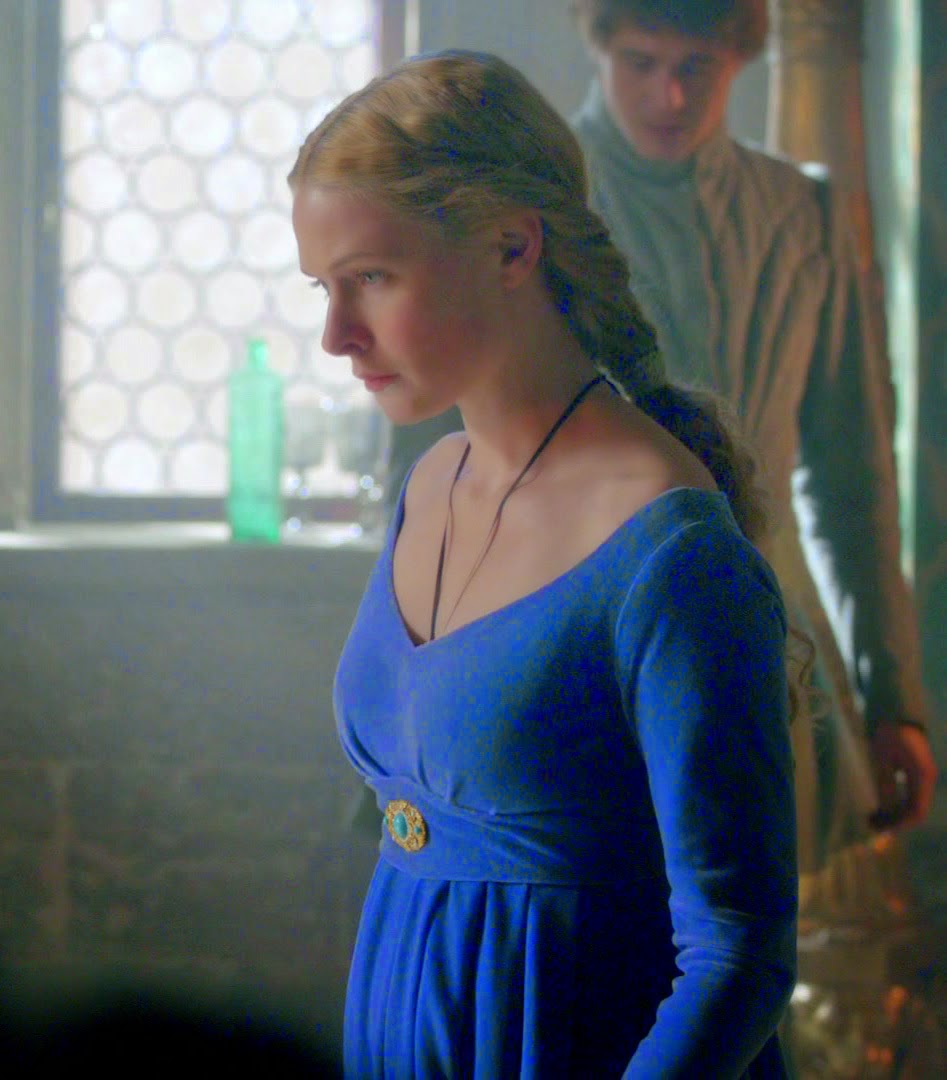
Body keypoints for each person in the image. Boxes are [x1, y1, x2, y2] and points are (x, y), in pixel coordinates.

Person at [289, 49, 798, 1077]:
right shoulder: (431, 483)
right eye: (321, 289)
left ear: (512, 246)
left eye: (371, 279)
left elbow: (738, 954)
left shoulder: (668, 553)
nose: (336, 335)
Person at [568, 0, 937, 903]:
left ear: (737, 59)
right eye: (642, 62)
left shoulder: (802, 213)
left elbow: (850, 482)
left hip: (764, 643)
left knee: (749, 942)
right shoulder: (539, 208)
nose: (669, 95)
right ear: (601, 45)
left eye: (694, 67)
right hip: (581, 632)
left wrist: (891, 697)